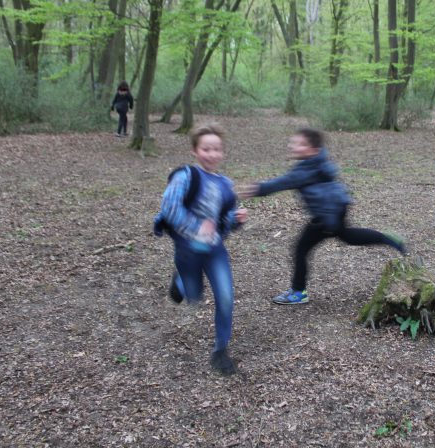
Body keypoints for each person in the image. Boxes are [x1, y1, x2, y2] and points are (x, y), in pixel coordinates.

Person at [238, 128, 406, 305]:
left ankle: (298, 292)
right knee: (347, 236)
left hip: (326, 216)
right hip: (337, 207)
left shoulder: (304, 170)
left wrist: (258, 189)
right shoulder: (318, 162)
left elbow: (281, 183)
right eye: (294, 142)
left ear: (314, 150)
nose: (294, 146)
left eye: (301, 144)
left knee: (301, 249)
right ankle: (387, 238)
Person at [155, 124, 248, 375]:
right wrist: (197, 225)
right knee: (193, 296)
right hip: (188, 248)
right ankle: (181, 282)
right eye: (206, 148)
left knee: (226, 297)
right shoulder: (185, 176)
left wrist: (236, 218)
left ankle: (221, 351)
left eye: (217, 149)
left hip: (215, 248)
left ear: (223, 153)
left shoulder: (226, 184)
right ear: (195, 151)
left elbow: (224, 221)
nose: (212, 154)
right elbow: (169, 208)